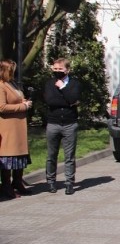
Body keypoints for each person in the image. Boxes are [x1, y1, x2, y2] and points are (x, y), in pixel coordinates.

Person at [43, 57, 82, 195]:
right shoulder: (49, 83)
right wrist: (68, 101)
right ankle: (51, 181)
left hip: (70, 124)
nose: (57, 71)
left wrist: (63, 88)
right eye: (55, 69)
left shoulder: (75, 84)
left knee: (69, 156)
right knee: (51, 155)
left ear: (67, 70)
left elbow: (73, 98)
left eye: (60, 69)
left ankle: (69, 183)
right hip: (53, 123)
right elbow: (50, 101)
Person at [0, 59, 33, 199]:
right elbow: (1, 107)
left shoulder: (12, 83)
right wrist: (23, 106)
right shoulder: (1, 86)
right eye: (12, 69)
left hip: (19, 127)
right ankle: (6, 186)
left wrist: (24, 101)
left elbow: (17, 99)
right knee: (8, 157)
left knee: (19, 157)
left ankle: (18, 182)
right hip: (8, 127)